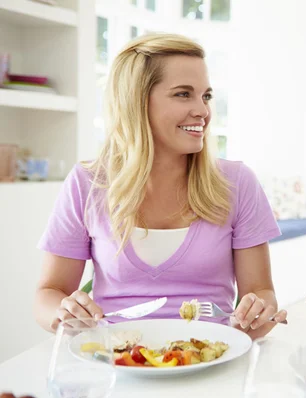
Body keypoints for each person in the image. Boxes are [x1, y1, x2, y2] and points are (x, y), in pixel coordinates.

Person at [34, 33, 287, 340]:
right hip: (116, 364)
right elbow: (49, 293)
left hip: (210, 359)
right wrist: (63, 313)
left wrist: (258, 312)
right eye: (183, 94)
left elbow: (261, 292)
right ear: (137, 101)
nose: (203, 111)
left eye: (206, 96)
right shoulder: (88, 184)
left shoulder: (237, 182)